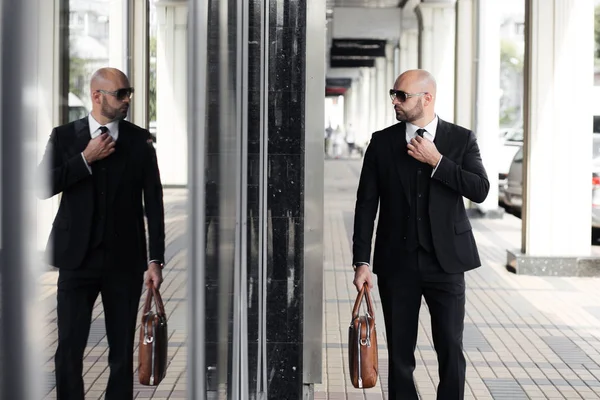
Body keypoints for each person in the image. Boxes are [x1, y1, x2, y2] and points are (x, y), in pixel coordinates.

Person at [351, 69, 489, 400]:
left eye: (402, 95)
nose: (395, 101)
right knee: (400, 356)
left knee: (451, 351)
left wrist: (438, 161)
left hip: (447, 263)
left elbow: (481, 189)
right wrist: (361, 262)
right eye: (393, 94)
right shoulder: (382, 142)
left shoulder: (461, 139)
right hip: (397, 264)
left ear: (427, 99)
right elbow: (366, 206)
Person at [37, 67, 165, 400]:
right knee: (68, 351)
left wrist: (156, 260)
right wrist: (84, 158)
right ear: (97, 96)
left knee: (121, 354)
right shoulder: (65, 136)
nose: (127, 100)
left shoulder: (139, 140)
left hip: (124, 261)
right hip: (76, 260)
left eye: (129, 92)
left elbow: (154, 201)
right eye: (121, 94)